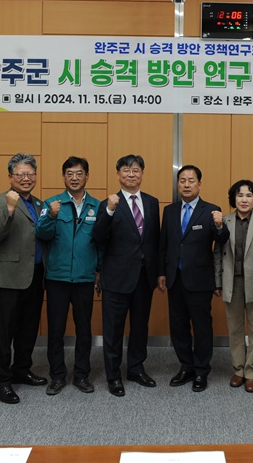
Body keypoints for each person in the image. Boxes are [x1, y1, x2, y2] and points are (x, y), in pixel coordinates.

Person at [92, 154, 161, 397]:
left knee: (140, 326)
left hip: (144, 276)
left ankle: (136, 368)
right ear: (118, 174)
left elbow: (155, 241)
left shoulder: (152, 203)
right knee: (113, 329)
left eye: (135, 170)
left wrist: (158, 273)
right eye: (126, 170)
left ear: (142, 173)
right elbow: (98, 237)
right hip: (116, 276)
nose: (131, 174)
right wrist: (110, 211)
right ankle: (113, 376)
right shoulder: (108, 203)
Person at [158, 165, 229, 393]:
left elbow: (222, 240)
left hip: (199, 279)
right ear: (178, 184)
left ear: (199, 184)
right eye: (182, 180)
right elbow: (164, 243)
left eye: (191, 180)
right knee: (178, 326)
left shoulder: (211, 210)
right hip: (175, 278)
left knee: (201, 327)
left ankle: (201, 370)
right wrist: (161, 272)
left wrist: (220, 225)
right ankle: (186, 366)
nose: (186, 185)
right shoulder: (169, 211)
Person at [35, 156, 101, 396]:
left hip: (84, 277)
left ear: (87, 176)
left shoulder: (97, 206)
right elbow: (41, 233)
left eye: (79, 173)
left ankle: (82, 375)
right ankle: (57, 376)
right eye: (70, 174)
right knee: (56, 330)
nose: (74, 178)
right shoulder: (51, 203)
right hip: (57, 278)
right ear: (63, 177)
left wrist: (99, 270)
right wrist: (51, 216)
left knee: (84, 329)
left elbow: (101, 242)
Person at [0, 153, 47, 404]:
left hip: (36, 275)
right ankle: (2, 381)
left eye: (30, 174)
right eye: (20, 174)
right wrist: (10, 209)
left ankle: (22, 370)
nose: (26, 178)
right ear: (10, 176)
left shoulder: (40, 204)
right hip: (10, 277)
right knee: (4, 332)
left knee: (28, 328)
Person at [215, 179, 253, 393]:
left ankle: (252, 372)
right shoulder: (225, 221)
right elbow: (217, 253)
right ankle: (238, 370)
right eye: (240, 195)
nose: (244, 199)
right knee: (235, 329)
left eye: (249, 195)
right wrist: (217, 281)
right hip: (232, 281)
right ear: (234, 198)